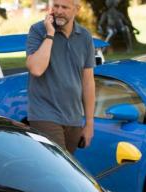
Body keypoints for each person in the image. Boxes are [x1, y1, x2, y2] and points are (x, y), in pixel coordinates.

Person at [25, 0, 95, 154]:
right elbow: (36, 69)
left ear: (76, 9)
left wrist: (89, 123)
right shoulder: (38, 30)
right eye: (56, 6)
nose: (59, 11)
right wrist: (50, 34)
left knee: (65, 171)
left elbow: (88, 82)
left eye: (64, 7)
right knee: (56, 167)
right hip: (44, 114)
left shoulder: (84, 37)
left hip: (73, 117)